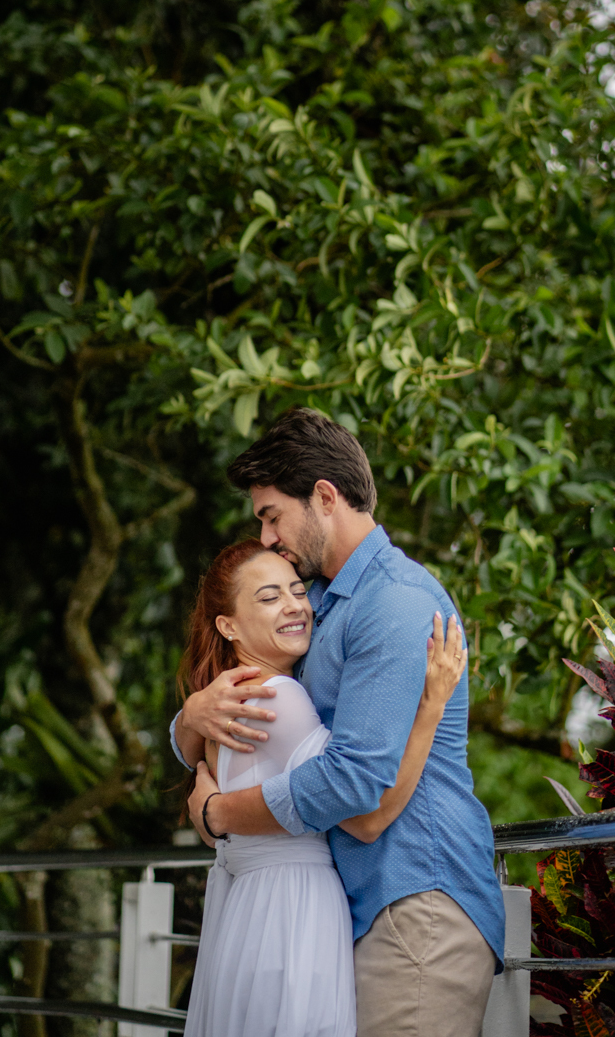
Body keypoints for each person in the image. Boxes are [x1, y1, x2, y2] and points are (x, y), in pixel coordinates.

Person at [171, 407, 505, 1037]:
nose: (268, 538)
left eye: (272, 515)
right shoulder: (317, 601)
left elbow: (355, 786)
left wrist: (219, 815)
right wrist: (190, 719)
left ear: (324, 497)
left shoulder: (394, 602)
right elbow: (250, 721)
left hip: (415, 901)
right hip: (358, 908)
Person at [178, 537, 467, 1037]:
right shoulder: (279, 698)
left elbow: (190, 749)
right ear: (228, 625)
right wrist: (431, 708)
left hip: (247, 911)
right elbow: (367, 814)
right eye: (269, 598)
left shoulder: (224, 699)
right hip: (292, 911)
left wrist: (186, 718)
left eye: (297, 592)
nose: (294, 607)